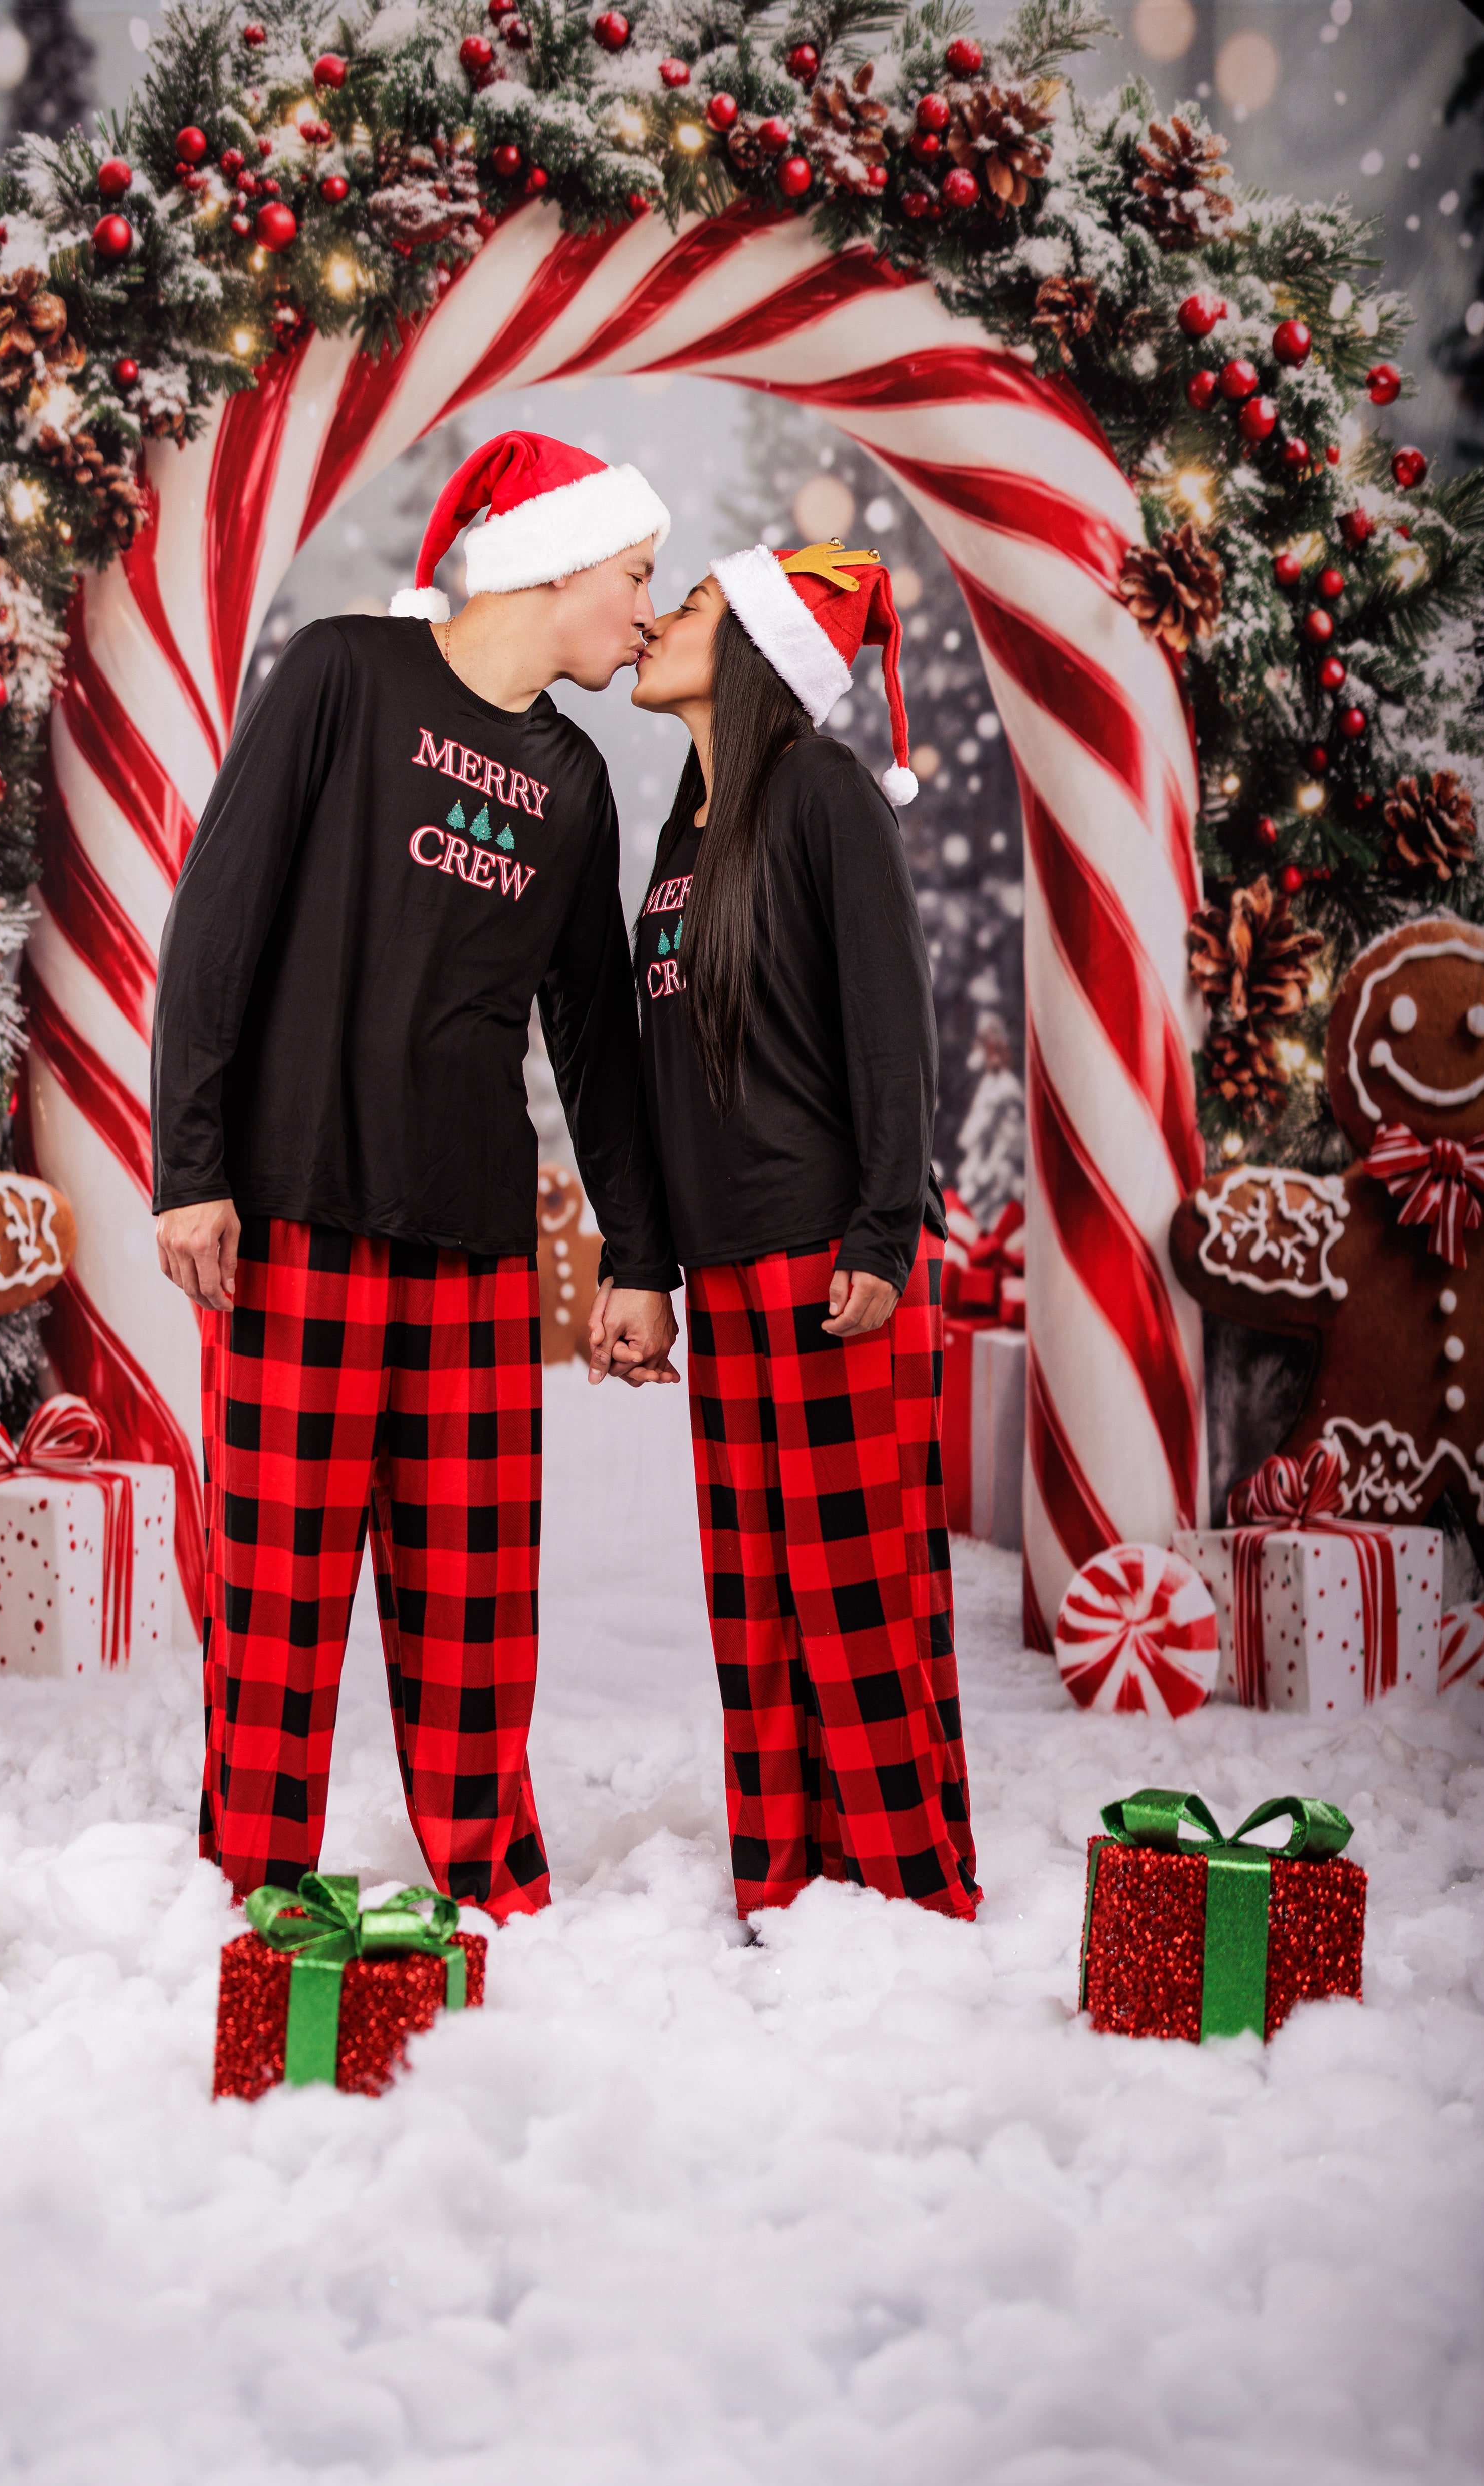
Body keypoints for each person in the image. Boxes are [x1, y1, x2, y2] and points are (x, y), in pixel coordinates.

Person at [152, 431, 680, 1915]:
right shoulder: (341, 674)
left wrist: (638, 1258)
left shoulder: (576, 781)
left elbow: (594, 1038)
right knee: (277, 1588)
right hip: (292, 1219)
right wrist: (187, 1166)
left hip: (471, 1246)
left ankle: (489, 1875)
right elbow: (216, 925)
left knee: (474, 1595)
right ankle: (254, 1877)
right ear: (553, 563)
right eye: (633, 577)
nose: (646, 611)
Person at [605, 538, 979, 1920]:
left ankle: (900, 1883)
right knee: (754, 1603)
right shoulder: (679, 836)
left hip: (831, 1260)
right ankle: (784, 1875)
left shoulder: (823, 793)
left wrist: (886, 1238)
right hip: (723, 1269)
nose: (650, 624)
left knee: (858, 1603)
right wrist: (645, 1262)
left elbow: (892, 1034)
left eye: (686, 604)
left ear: (757, 646)